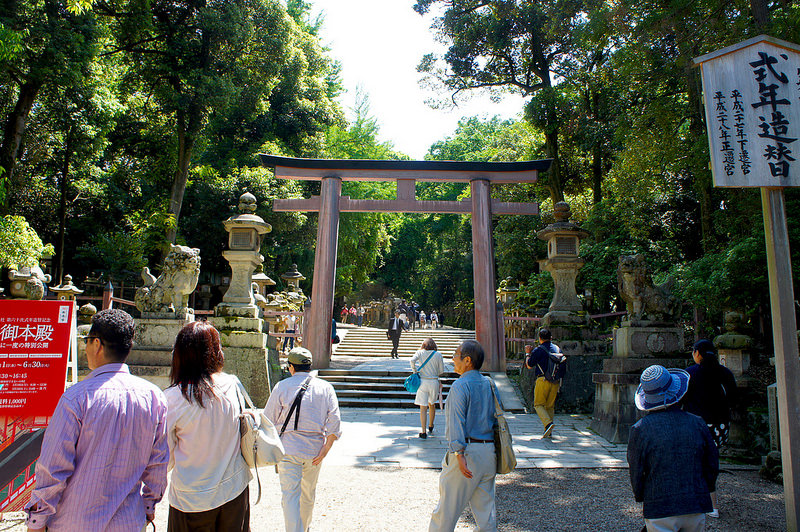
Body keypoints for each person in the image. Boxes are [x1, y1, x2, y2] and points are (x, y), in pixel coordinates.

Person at [25, 309, 168, 531]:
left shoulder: (77, 397)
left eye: (87, 341)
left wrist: (37, 520)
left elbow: (53, 467)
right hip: (129, 520)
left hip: (74, 522)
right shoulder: (154, 397)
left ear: (97, 344)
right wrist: (148, 508)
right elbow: (158, 463)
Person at [165, 321, 252, 531]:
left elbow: (165, 457)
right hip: (234, 489)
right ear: (215, 352)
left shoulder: (173, 398)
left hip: (192, 497)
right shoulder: (232, 384)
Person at [627, 364, 719, 532]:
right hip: (696, 501)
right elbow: (712, 463)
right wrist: (706, 488)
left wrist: (641, 495)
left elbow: (636, 470)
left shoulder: (640, 429)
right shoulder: (697, 422)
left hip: (659, 503)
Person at [265, 347, 342, 532]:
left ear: (291, 367)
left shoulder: (281, 387)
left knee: (290, 495)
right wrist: (327, 447)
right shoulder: (325, 388)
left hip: (288, 449)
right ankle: (304, 528)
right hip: (314, 451)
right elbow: (334, 420)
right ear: (309, 366)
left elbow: (268, 419)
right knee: (308, 494)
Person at [429, 340, 497, 532]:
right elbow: (497, 419)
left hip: (467, 453)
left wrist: (459, 453)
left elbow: (456, 422)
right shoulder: (489, 384)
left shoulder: (460, 386)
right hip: (488, 451)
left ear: (467, 360)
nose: (452, 360)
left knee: (446, 512)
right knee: (486, 514)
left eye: (455, 355)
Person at [683, 339, 738, 518]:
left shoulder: (690, 374)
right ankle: (712, 503)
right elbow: (733, 398)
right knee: (711, 461)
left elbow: (681, 399)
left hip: (696, 426)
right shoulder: (724, 373)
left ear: (697, 353)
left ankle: (694, 500)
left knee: (694, 462)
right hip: (719, 427)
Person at [524, 328, 563, 438]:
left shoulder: (539, 350)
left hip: (542, 380)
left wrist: (528, 354)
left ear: (540, 338)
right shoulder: (557, 349)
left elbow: (529, 365)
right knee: (550, 406)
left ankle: (548, 423)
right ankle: (548, 431)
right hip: (555, 381)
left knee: (538, 404)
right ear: (551, 338)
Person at [410, 338, 445, 438]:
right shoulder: (438, 354)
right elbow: (441, 370)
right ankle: (430, 425)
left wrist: (415, 371)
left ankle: (423, 431)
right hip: (434, 381)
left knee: (423, 407)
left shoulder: (420, 352)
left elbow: (412, 360)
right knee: (432, 404)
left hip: (423, 382)